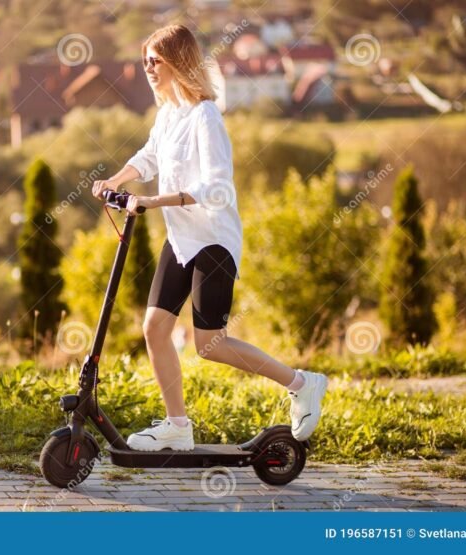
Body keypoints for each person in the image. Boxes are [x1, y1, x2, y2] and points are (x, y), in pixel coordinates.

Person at [91, 24, 328, 451]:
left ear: (177, 61)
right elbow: (147, 157)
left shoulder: (206, 116)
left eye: (154, 60)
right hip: (182, 239)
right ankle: (177, 426)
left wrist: (155, 201)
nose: (147, 67)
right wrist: (115, 179)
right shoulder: (168, 115)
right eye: (144, 60)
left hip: (213, 242)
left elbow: (219, 189)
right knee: (154, 329)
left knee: (209, 343)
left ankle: (302, 383)